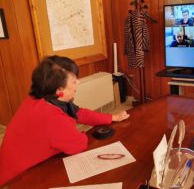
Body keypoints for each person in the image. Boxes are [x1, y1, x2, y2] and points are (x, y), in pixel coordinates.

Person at [0, 56, 130, 185]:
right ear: (59, 90)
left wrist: (112, 117)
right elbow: (78, 144)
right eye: (74, 81)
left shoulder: (40, 98)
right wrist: (77, 133)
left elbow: (79, 113)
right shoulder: (52, 118)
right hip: (18, 179)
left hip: (8, 164)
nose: (78, 83)